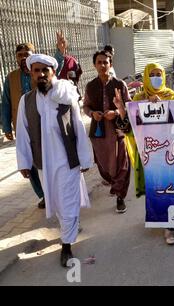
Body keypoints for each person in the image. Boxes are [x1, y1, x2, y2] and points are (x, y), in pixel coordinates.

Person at [15, 54, 93, 267]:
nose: (41, 74)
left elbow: (77, 126)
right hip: (43, 163)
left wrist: (85, 158)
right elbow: (22, 132)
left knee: (67, 201)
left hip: (67, 161)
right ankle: (70, 227)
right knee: (57, 203)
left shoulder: (65, 95)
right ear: (31, 74)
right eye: (36, 70)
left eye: (45, 70)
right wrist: (24, 162)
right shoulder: (26, 100)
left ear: (53, 72)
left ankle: (66, 246)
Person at [126, 62, 174, 245]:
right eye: (152, 74)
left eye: (159, 74)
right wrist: (144, 106)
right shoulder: (139, 98)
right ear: (146, 77)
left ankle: (170, 225)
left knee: (171, 186)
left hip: (170, 149)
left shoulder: (172, 96)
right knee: (156, 188)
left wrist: (163, 105)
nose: (156, 77)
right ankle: (164, 222)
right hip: (149, 152)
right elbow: (131, 125)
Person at [1, 42, 49, 209]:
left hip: (43, 126)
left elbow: (55, 72)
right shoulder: (11, 78)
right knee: (28, 162)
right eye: (20, 55)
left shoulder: (40, 73)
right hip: (23, 127)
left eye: (26, 54)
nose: (23, 57)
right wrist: (6, 126)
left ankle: (52, 191)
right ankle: (43, 194)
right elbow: (5, 102)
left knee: (45, 159)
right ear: (16, 58)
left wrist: (60, 53)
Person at [83, 50, 131, 214]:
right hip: (99, 133)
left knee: (122, 164)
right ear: (94, 65)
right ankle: (114, 183)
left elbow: (130, 107)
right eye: (99, 62)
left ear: (111, 64)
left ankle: (120, 197)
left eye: (106, 62)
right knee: (104, 166)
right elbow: (86, 106)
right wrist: (92, 114)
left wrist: (116, 112)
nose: (102, 65)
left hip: (117, 130)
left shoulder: (119, 84)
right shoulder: (90, 86)